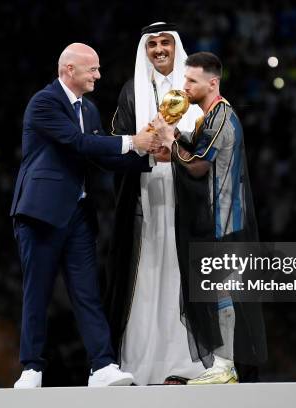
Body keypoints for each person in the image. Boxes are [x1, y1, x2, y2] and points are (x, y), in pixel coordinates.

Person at [10, 43, 159, 388]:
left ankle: (102, 366)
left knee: (87, 291)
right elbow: (78, 143)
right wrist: (132, 141)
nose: (98, 75)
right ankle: (31, 369)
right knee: (38, 292)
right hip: (41, 214)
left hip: (77, 213)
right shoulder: (44, 102)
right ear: (69, 70)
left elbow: (101, 156)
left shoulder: (89, 109)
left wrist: (150, 156)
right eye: (92, 69)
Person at [152, 51, 267, 384]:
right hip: (215, 218)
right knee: (218, 290)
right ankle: (224, 364)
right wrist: (172, 145)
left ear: (212, 82)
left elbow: (199, 165)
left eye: (191, 80)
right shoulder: (207, 119)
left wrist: (171, 140)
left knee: (224, 291)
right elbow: (193, 155)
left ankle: (225, 365)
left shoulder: (222, 117)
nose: (184, 85)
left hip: (225, 218)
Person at [105, 22, 206, 385]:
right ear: (144, 51)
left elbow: (210, 143)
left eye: (165, 43)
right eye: (153, 45)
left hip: (187, 198)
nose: (160, 49)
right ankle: (142, 363)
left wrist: (175, 147)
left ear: (177, 47)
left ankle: (185, 363)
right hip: (145, 198)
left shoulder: (194, 91)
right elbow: (118, 144)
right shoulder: (132, 92)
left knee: (182, 275)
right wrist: (146, 147)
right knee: (146, 276)